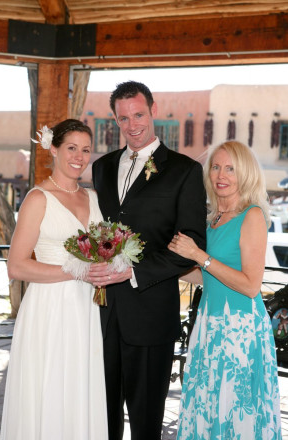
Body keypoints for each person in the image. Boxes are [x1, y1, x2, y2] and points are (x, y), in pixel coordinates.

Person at [88, 80, 207, 440]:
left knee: (146, 422)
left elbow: (191, 243)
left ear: (153, 111)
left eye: (138, 114)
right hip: (101, 313)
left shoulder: (184, 170)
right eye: (123, 118)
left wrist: (132, 272)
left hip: (152, 312)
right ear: (115, 120)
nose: (132, 125)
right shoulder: (103, 167)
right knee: (100, 413)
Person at [0, 119, 108, 440]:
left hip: (86, 311)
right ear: (53, 148)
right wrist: (74, 271)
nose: (79, 156)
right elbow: (16, 266)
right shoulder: (37, 198)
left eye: (85, 150)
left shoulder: (93, 198)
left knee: (78, 388)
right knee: (49, 387)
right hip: (48, 309)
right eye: (71, 148)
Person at [168, 140, 282, 439]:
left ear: (245, 174)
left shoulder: (252, 216)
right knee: (207, 410)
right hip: (209, 327)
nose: (221, 174)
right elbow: (209, 276)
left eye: (230, 168)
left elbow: (250, 285)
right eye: (216, 167)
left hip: (239, 332)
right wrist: (162, 264)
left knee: (235, 414)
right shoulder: (212, 220)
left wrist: (199, 256)